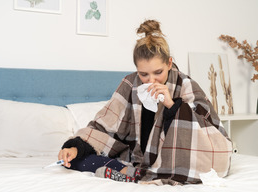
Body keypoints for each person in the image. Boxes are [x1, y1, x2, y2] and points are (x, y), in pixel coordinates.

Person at [58, 19, 232, 185]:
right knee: (77, 162)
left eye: (158, 72)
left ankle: (133, 173)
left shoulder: (186, 85)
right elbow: (104, 126)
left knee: (208, 167)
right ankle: (129, 170)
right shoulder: (129, 84)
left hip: (173, 157)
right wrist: (75, 148)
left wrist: (173, 106)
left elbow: (209, 133)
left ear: (169, 63)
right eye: (144, 74)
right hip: (136, 158)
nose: (151, 81)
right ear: (136, 70)